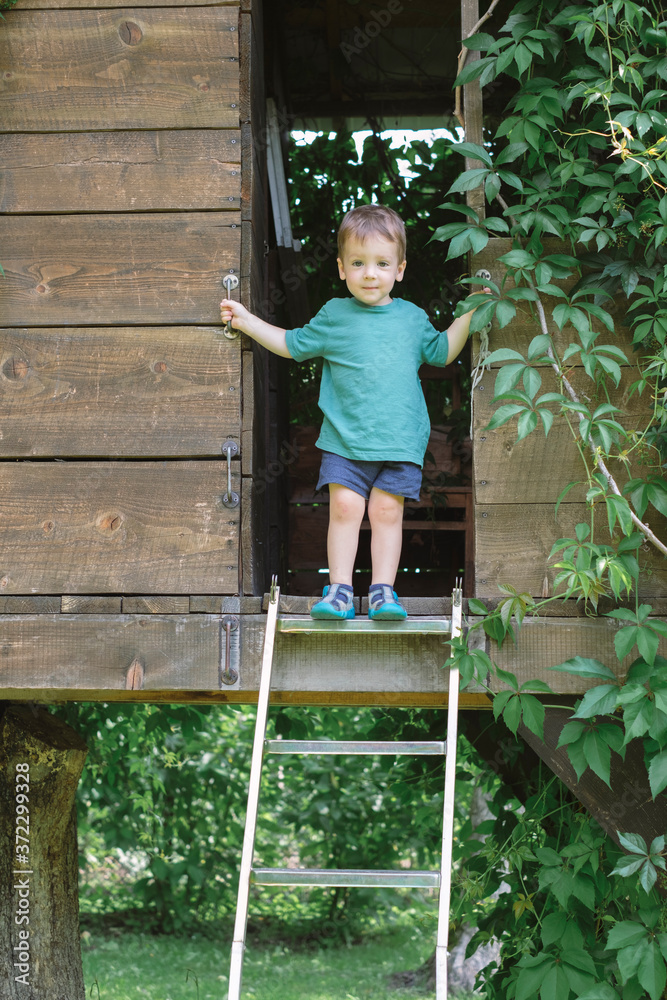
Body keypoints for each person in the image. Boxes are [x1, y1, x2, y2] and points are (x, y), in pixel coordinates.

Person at [220, 204, 487, 622]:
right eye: (359, 263)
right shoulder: (334, 315)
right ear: (342, 268)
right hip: (345, 441)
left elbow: (442, 351)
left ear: (399, 269)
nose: (370, 273)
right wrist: (247, 321)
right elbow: (292, 344)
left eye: (382, 263)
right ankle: (340, 591)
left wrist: (471, 312)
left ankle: (383, 593)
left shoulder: (412, 318)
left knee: (386, 513)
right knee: (344, 509)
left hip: (399, 443)